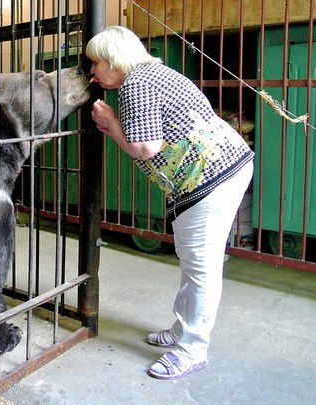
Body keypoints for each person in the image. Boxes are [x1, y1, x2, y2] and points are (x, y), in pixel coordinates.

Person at [85, 26, 254, 380]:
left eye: (96, 63)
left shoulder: (135, 84)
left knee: (201, 268)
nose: (92, 72)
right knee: (195, 262)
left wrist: (110, 123)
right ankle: (182, 331)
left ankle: (192, 349)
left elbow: (145, 148)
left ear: (115, 61)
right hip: (224, 167)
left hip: (210, 177)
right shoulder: (157, 72)